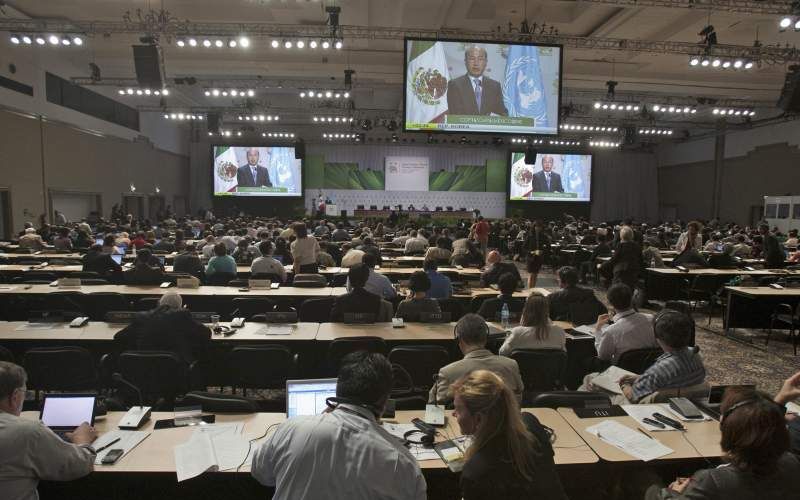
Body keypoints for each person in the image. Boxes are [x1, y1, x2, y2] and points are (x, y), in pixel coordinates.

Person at [251, 351, 426, 500]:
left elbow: (261, 473)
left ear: (338, 388)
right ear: (385, 400)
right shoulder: (403, 463)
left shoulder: (291, 428)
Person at [646, 386, 800, 500]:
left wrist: (673, 493)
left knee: (644, 481)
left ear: (726, 427)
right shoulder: (792, 462)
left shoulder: (712, 481)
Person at [452, 370, 568, 500]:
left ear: (479, 419)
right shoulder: (530, 422)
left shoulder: (475, 472)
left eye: (457, 409)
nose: (453, 414)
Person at [1, 362, 97, 500]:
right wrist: (82, 441)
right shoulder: (28, 432)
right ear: (15, 396)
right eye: (25, 393)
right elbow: (78, 465)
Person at [430, 314, 523, 404]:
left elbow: (438, 412)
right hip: (503, 419)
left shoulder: (447, 373)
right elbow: (519, 399)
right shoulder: (511, 365)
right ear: (486, 338)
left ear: (459, 340)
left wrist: (432, 397)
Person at [616, 309, 705, 403]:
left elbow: (632, 396)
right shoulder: (696, 355)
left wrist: (625, 384)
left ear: (657, 337)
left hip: (655, 408)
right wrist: (641, 378)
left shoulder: (662, 368)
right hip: (688, 402)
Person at [113, 292, 211, 364]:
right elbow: (206, 334)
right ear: (180, 307)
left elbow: (118, 337)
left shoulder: (141, 317)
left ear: (159, 303)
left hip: (143, 370)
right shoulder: (182, 316)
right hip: (175, 369)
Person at [593, 283, 657, 365]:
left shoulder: (610, 331)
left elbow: (603, 358)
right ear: (632, 299)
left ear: (609, 303)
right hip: (649, 366)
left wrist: (598, 329)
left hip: (621, 372)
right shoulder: (652, 318)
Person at [447, 45, 508, 116]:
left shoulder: (495, 86)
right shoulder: (455, 85)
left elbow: (502, 113)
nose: (476, 63)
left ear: (485, 62)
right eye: (472, 59)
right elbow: (455, 113)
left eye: (480, 59)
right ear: (465, 62)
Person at [499, 292, 566, 355]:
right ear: (547, 310)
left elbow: (502, 353)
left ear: (526, 310)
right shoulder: (559, 332)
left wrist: (508, 337)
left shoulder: (517, 332)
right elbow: (563, 353)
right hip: (551, 367)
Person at [525, 221, 551, 288]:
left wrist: (542, 251)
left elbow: (548, 247)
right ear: (534, 227)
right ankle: (530, 290)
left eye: (539, 227)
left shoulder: (544, 236)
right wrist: (532, 252)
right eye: (536, 226)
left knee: (535, 274)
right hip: (530, 257)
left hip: (539, 257)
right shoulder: (530, 235)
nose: (538, 228)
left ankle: (532, 289)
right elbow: (524, 247)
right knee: (532, 274)